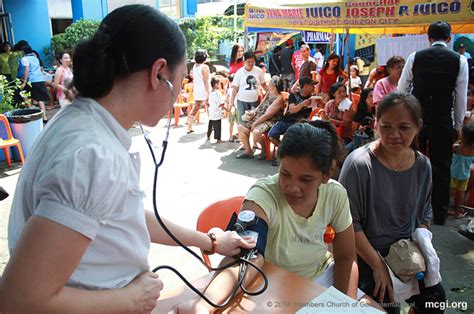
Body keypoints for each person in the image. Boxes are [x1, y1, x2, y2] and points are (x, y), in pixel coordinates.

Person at [0, 5, 255, 312]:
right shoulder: (93, 156)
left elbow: (123, 213)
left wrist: (211, 242)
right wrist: (131, 299)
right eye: (181, 75)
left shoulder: (81, 124)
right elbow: (20, 299)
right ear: (159, 73)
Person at [178, 122, 381, 313]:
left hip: (320, 274)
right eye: (285, 174)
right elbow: (246, 257)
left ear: (327, 174)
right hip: (271, 281)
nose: (293, 187)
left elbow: (346, 257)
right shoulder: (262, 195)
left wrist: (344, 305)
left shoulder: (335, 194)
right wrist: (204, 305)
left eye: (306, 179)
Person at [339, 92, 446, 313]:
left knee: (435, 302)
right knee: (385, 305)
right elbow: (349, 223)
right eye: (386, 126)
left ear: (418, 127)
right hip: (367, 252)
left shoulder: (423, 165)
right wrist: (379, 266)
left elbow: (423, 215)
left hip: (405, 249)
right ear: (376, 123)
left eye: (404, 128)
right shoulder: (359, 164)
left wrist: (419, 252)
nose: (394, 135)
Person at [398, 21, 469, 225]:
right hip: (442, 119)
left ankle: (408, 208)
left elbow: (402, 89)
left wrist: (403, 119)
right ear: (449, 38)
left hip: (416, 119)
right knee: (441, 166)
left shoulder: (415, 57)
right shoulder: (459, 61)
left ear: (429, 39)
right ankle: (439, 214)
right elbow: (460, 97)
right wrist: (457, 125)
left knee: (410, 162)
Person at [236, 75, 285, 159]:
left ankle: (264, 150)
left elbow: (268, 115)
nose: (268, 84)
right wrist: (253, 112)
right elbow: (261, 105)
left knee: (256, 132)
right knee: (240, 127)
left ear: (274, 86)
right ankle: (248, 151)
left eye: (269, 83)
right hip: (260, 117)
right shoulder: (269, 93)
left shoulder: (279, 98)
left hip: (270, 120)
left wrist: (255, 123)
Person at [268, 77, 319, 148]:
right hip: (286, 120)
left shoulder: (313, 98)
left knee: (290, 138)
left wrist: (322, 103)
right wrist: (302, 104)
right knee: (271, 135)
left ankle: (286, 152)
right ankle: (284, 150)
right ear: (305, 86)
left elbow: (319, 111)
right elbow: (292, 110)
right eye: (312, 85)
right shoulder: (293, 95)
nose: (314, 87)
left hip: (300, 123)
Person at [230, 51, 267, 124]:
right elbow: (235, 89)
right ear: (244, 61)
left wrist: (271, 94)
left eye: (252, 61)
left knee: (255, 122)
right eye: (248, 61)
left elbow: (264, 85)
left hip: (255, 101)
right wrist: (231, 102)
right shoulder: (239, 72)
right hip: (242, 101)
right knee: (243, 123)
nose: (250, 63)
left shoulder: (258, 71)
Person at [17, 44, 49, 122]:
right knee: (40, 99)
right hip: (40, 80)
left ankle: (31, 111)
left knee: (23, 94)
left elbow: (26, 70)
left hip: (31, 80)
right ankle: (44, 117)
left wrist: (24, 82)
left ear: (23, 51)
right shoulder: (35, 58)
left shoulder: (24, 59)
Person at [450, 123, 474, 218]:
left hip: (454, 173)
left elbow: (452, 148)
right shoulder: (472, 149)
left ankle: (444, 208)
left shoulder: (457, 147)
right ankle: (457, 212)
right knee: (461, 193)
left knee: (450, 191)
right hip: (465, 175)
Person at [187, 49, 210, 133]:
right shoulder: (205, 67)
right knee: (210, 107)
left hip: (197, 90)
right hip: (204, 89)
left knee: (195, 108)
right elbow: (206, 81)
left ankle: (189, 127)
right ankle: (212, 126)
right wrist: (208, 92)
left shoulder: (194, 66)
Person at [346, 88, 375, 154]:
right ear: (364, 98)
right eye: (370, 96)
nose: (372, 99)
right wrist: (360, 129)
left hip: (374, 140)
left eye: (374, 96)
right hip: (361, 140)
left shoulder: (378, 110)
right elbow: (354, 131)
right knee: (345, 151)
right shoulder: (360, 112)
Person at [207, 77, 225, 143]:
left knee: (211, 124)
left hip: (211, 111)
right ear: (215, 84)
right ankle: (218, 139)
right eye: (219, 84)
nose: (219, 85)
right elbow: (221, 103)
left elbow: (208, 103)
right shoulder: (218, 93)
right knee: (217, 125)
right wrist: (226, 109)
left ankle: (208, 135)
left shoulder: (210, 93)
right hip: (217, 112)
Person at [225, 74, 238, 142]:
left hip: (232, 108)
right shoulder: (237, 89)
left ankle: (230, 137)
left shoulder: (229, 90)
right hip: (238, 107)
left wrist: (229, 104)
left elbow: (226, 99)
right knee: (239, 123)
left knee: (231, 123)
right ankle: (240, 138)